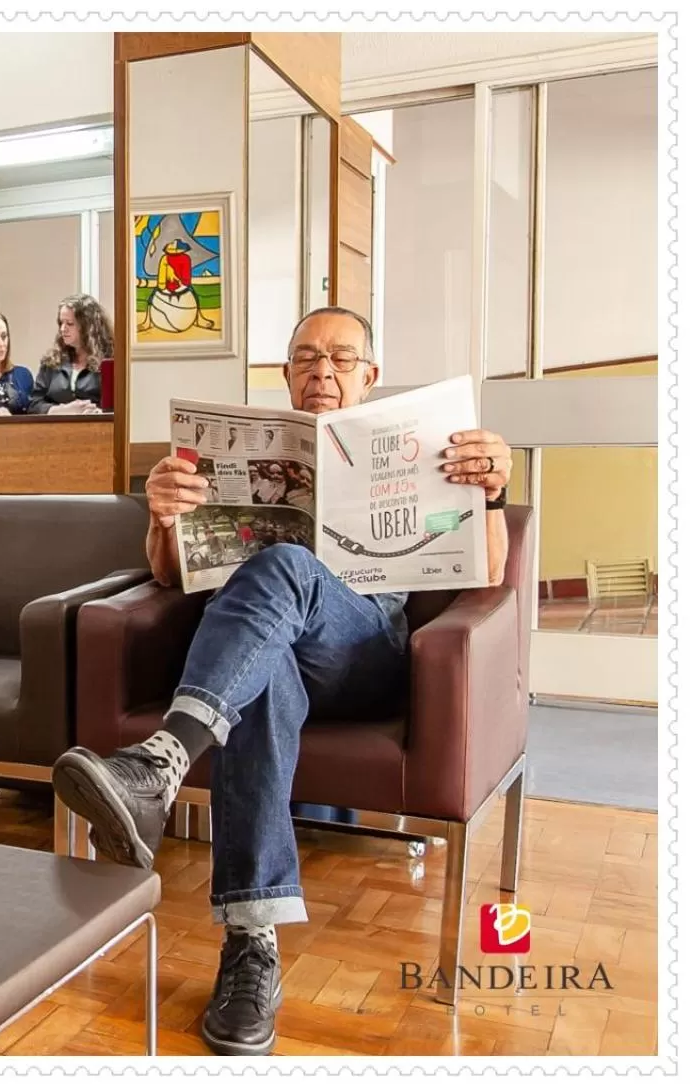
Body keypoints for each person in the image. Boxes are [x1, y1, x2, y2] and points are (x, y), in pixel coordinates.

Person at [50, 306, 512, 1057]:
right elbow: (168, 578)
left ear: (369, 375)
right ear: (287, 372)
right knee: (265, 684)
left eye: (338, 358)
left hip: (362, 652)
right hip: (261, 660)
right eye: (304, 358)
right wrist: (161, 518)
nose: (321, 371)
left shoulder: (433, 452)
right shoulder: (235, 452)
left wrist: (488, 493)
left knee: (285, 568)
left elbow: (487, 576)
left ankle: (160, 763)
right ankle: (250, 946)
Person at [27, 294, 112, 415]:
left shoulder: (109, 361)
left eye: (70, 323)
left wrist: (98, 412)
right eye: (61, 323)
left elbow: (117, 406)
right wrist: (62, 410)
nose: (63, 328)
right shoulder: (51, 361)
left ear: (88, 327)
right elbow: (33, 404)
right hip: (56, 430)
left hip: (96, 429)